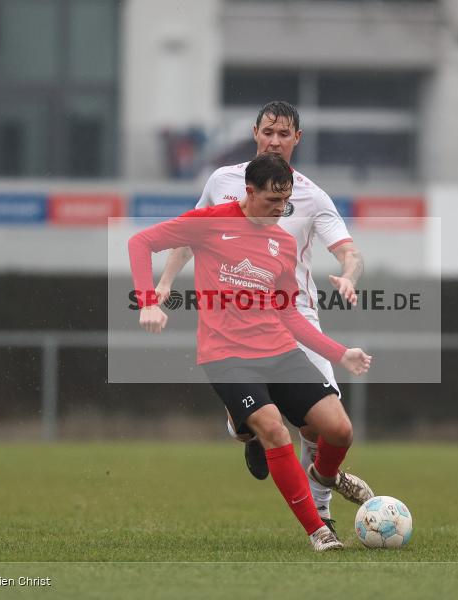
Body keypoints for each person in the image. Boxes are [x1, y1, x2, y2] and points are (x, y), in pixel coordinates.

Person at [129, 153, 373, 551]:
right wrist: (148, 301)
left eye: (286, 201)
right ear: (249, 192)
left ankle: (326, 475)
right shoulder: (211, 221)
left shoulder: (283, 243)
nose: (280, 209)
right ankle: (319, 531)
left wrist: (339, 353)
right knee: (274, 429)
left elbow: (289, 313)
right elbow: (141, 242)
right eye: (272, 200)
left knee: (339, 430)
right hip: (227, 357)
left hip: (280, 351)